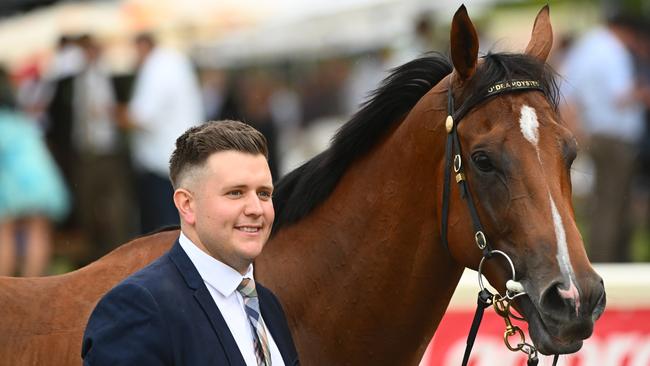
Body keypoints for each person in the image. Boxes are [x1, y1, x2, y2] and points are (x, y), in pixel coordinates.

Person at [82, 120, 299, 365]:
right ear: (187, 205)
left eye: (264, 193)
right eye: (235, 192)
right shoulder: (139, 307)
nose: (256, 209)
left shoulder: (268, 305)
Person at [561, 14, 648, 262]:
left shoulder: (588, 46)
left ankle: (609, 258)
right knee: (613, 204)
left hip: (597, 131)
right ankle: (607, 260)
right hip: (615, 136)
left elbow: (569, 90)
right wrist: (641, 92)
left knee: (606, 201)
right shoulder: (613, 51)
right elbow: (619, 96)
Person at [124, 33, 203, 234]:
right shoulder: (177, 61)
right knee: (183, 225)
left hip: (161, 164)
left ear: (142, 46)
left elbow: (140, 116)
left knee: (162, 233)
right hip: (185, 159)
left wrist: (106, 112)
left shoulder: (156, 67)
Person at [0, 66, 70, 276]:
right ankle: (34, 287)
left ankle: (6, 292)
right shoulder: (20, 119)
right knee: (37, 231)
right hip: (42, 180)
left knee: (5, 233)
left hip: (13, 185)